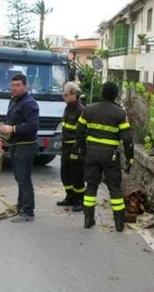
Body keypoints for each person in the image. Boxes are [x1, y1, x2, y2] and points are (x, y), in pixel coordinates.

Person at [75, 82, 134, 231]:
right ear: (115, 95)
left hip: (91, 153)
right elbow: (127, 140)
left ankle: (88, 220)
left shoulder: (89, 110)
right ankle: (119, 224)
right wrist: (129, 158)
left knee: (91, 186)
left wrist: (82, 149)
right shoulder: (120, 113)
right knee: (114, 188)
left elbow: (79, 131)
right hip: (110, 155)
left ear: (102, 93)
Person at [0, 74, 39, 223]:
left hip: (25, 147)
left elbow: (32, 126)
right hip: (15, 145)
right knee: (19, 178)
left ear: (25, 86)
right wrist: (1, 139)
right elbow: (8, 121)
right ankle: (21, 206)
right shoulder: (14, 101)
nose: (14, 88)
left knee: (24, 179)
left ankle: (28, 211)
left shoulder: (29, 104)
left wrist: (13, 129)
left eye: (17, 85)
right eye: (12, 85)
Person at [57, 82, 86, 212]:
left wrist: (77, 148)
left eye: (66, 95)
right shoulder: (68, 108)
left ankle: (79, 200)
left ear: (74, 95)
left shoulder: (81, 110)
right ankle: (70, 197)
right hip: (66, 146)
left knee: (76, 175)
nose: (64, 97)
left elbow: (82, 132)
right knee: (65, 173)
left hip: (75, 147)